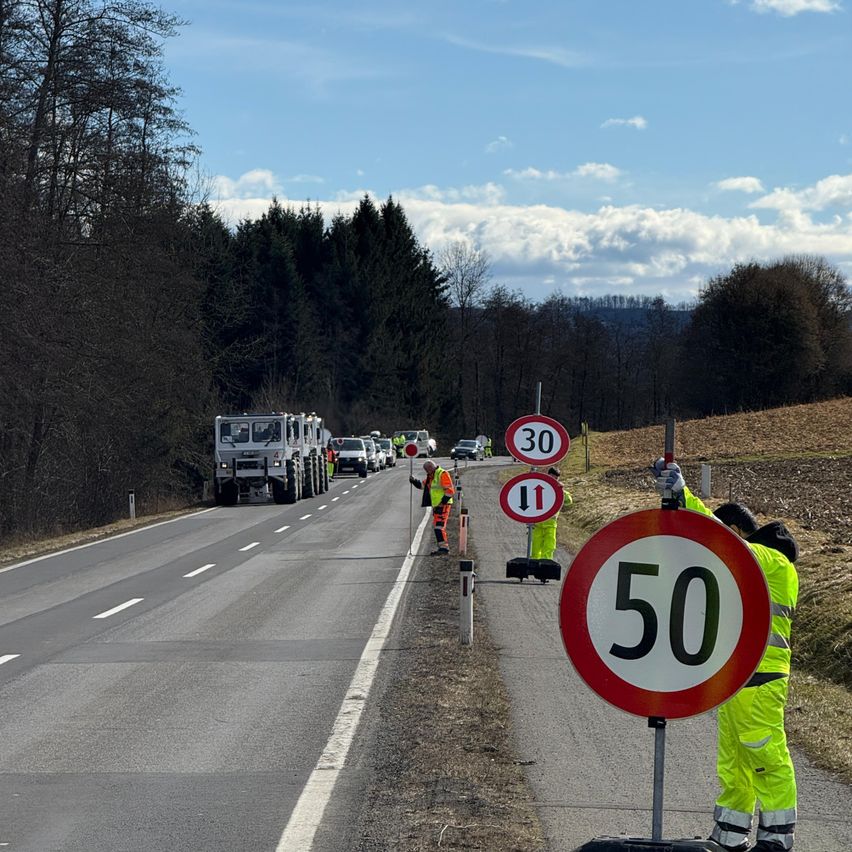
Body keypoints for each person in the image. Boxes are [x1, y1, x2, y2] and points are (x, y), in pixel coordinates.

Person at [653, 460, 799, 852]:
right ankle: (730, 836)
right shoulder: (759, 571)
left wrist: (684, 497)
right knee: (734, 764)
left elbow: (726, 544)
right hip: (740, 680)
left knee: (766, 756)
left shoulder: (776, 564)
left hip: (762, 678)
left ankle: (776, 838)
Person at [409, 459, 455, 555]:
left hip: (443, 505)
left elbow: (450, 491)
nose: (426, 472)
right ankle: (442, 547)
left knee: (439, 527)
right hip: (438, 506)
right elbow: (422, 486)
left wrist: (441, 504)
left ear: (430, 468)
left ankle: (444, 549)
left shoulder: (442, 474)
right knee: (437, 527)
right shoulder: (432, 476)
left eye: (427, 470)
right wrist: (414, 481)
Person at [530, 467, 572, 560]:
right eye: (552, 478)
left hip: (550, 525)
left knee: (549, 546)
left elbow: (569, 501)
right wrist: (530, 520)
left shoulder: (559, 491)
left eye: (556, 479)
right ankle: (534, 565)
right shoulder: (540, 489)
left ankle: (546, 567)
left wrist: (561, 490)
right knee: (536, 548)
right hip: (538, 524)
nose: (553, 480)